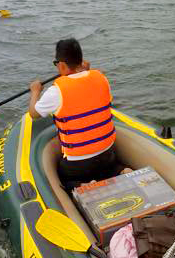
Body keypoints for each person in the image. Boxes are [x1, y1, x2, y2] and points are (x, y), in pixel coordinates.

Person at [29, 38, 118, 190]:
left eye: (56, 64)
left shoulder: (56, 92)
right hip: (107, 154)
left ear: (61, 65)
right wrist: (85, 70)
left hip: (79, 163)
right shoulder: (102, 78)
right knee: (110, 168)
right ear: (81, 60)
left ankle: (85, 185)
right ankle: (122, 170)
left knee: (63, 179)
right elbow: (85, 86)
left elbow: (34, 113)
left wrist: (35, 91)